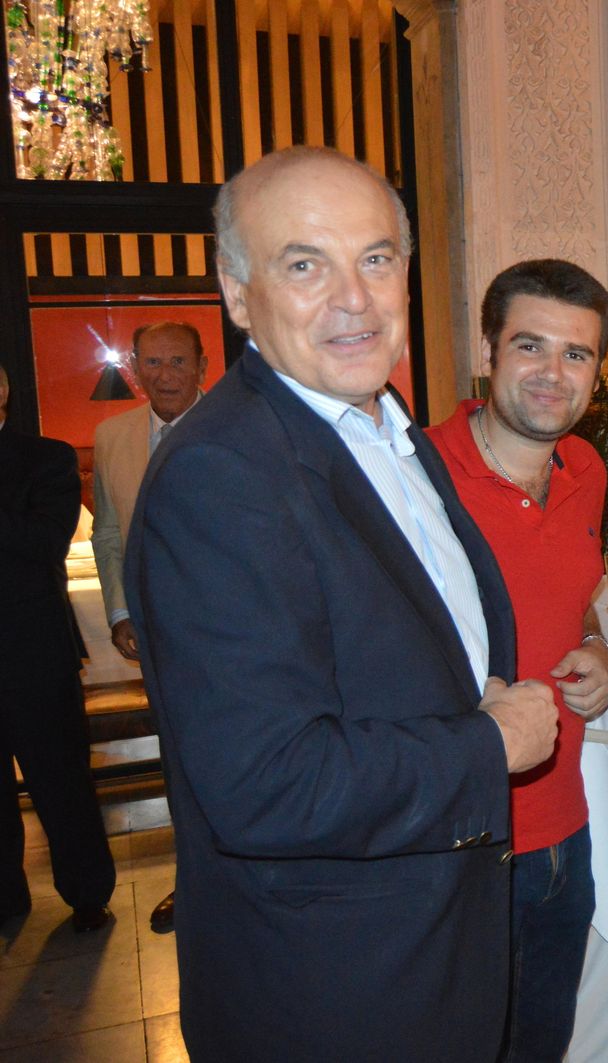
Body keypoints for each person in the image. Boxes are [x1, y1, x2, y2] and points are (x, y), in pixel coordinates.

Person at [125, 146, 560, 1063]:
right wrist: (489, 743)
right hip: (334, 991)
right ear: (239, 298)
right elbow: (267, 783)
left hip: (436, 952)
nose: (353, 297)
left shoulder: (394, 430)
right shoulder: (222, 474)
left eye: (373, 258)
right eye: (303, 264)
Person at [427, 258, 608, 1062]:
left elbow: (583, 595)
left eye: (576, 354)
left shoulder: (585, 471)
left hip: (563, 828)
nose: (552, 373)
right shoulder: (418, 478)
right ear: (490, 352)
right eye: (530, 346)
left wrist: (600, 646)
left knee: (542, 1042)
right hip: (458, 844)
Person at [90, 319, 208, 934]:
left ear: (202, 366)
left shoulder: (244, 427)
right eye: (153, 364)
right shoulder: (112, 436)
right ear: (135, 369)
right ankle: (193, 883)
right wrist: (119, 610)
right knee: (178, 761)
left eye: (177, 362)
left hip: (239, 639)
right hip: (159, 639)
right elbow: (107, 535)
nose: (165, 376)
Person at [0, 363, 117, 932]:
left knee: (61, 781)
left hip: (31, 651)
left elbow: (45, 542)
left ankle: (88, 894)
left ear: (1, 391)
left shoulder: (45, 457)